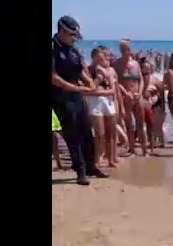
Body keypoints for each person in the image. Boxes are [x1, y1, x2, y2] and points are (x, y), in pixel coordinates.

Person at [50, 15, 107, 185]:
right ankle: (80, 170)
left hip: (77, 95)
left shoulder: (72, 49)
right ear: (61, 31)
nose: (74, 38)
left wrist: (89, 82)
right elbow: (53, 78)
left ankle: (91, 166)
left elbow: (80, 68)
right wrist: (76, 88)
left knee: (86, 130)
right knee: (72, 134)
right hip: (60, 96)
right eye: (71, 35)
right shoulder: (53, 49)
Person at [114, 39, 149, 156]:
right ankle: (132, 149)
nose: (126, 52)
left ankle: (144, 149)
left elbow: (141, 80)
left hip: (137, 97)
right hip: (126, 98)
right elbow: (116, 82)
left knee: (141, 124)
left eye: (127, 49)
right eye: (123, 49)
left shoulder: (135, 64)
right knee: (129, 125)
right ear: (120, 50)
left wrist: (140, 93)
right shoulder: (117, 64)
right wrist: (125, 93)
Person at [87, 46, 120, 170]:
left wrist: (116, 101)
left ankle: (111, 159)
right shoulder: (89, 70)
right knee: (100, 133)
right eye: (100, 57)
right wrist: (98, 80)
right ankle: (97, 159)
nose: (103, 59)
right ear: (94, 57)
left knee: (111, 133)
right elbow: (87, 89)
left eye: (104, 57)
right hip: (95, 102)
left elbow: (113, 90)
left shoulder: (109, 70)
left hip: (108, 102)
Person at [142, 60, 166, 149]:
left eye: (148, 68)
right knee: (148, 125)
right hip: (144, 104)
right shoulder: (140, 79)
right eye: (145, 68)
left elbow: (162, 90)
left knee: (157, 125)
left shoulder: (155, 79)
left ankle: (161, 142)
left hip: (155, 104)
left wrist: (154, 92)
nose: (147, 70)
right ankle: (151, 143)